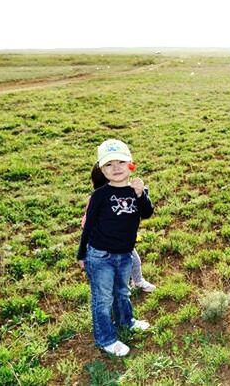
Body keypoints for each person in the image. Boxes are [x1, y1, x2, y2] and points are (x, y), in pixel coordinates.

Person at [77, 139, 154, 356]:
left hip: (125, 254)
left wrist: (142, 194)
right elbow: (89, 226)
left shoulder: (137, 190)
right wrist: (82, 253)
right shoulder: (99, 196)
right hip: (100, 256)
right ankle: (106, 339)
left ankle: (126, 321)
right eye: (109, 164)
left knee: (122, 291)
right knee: (103, 299)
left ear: (131, 164)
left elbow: (146, 213)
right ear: (101, 169)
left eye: (121, 162)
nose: (116, 168)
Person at [82, 163, 156, 292]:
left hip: (122, 242)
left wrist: (140, 194)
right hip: (102, 245)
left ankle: (137, 281)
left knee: (134, 261)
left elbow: (142, 211)